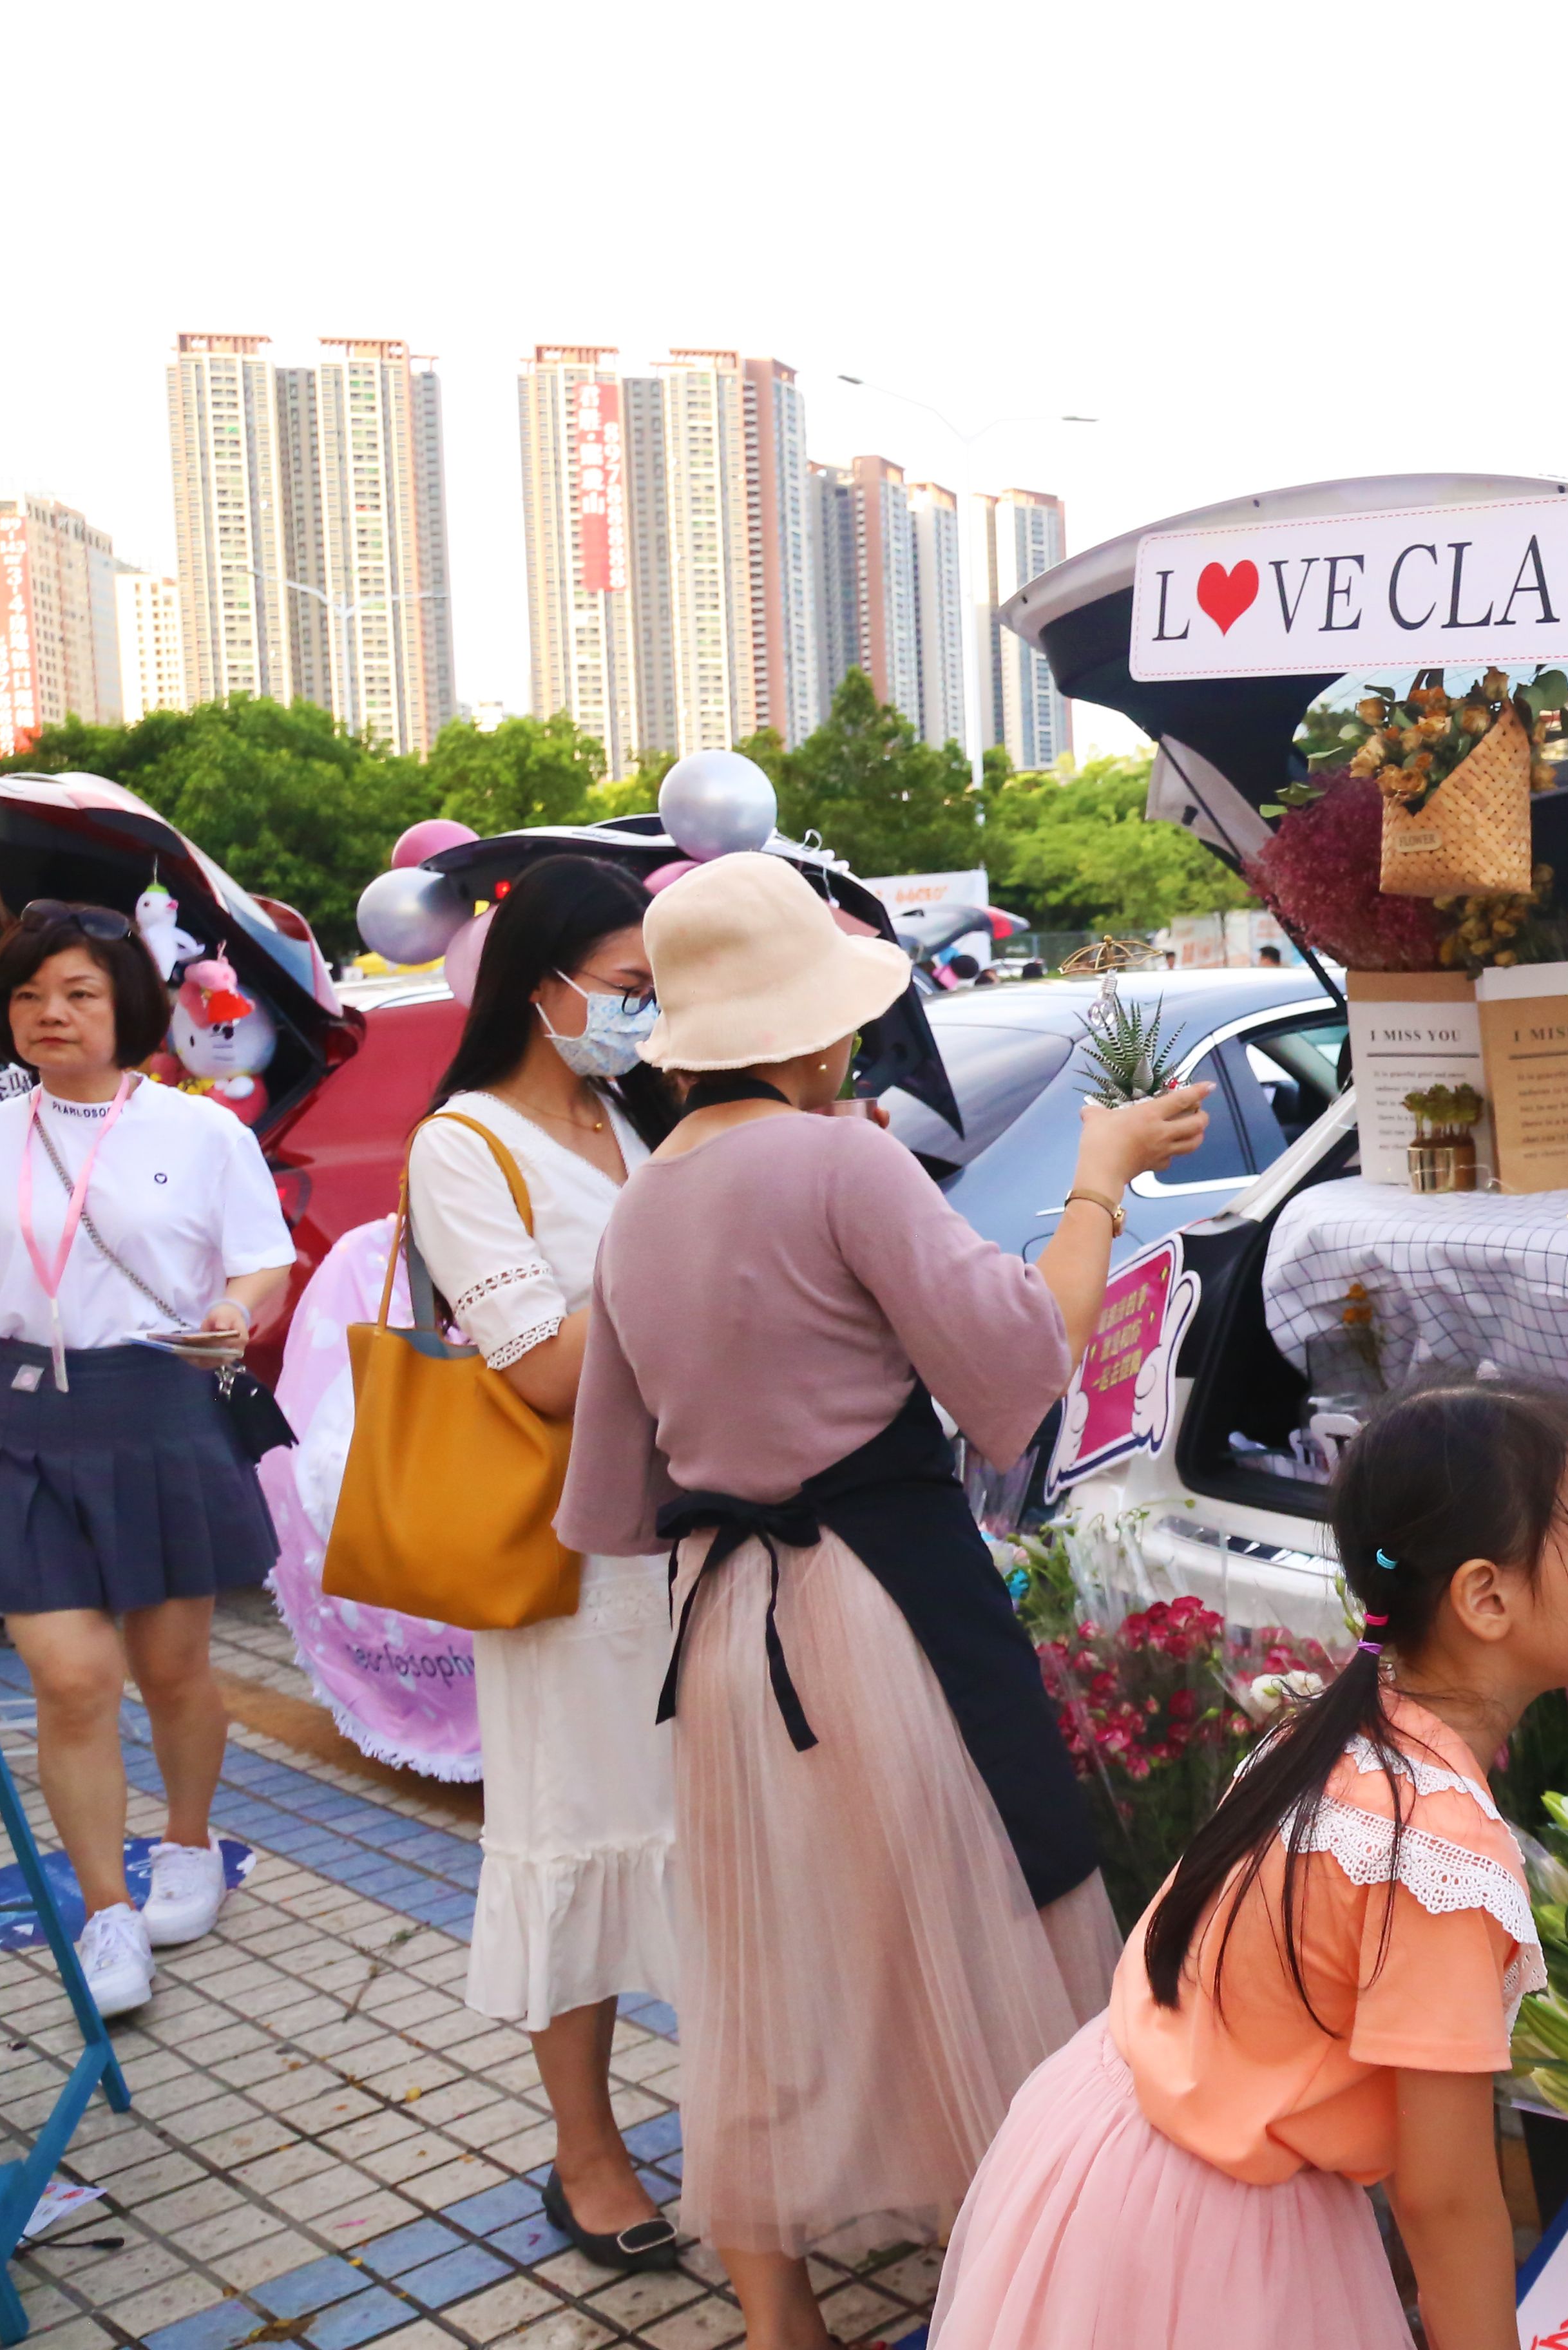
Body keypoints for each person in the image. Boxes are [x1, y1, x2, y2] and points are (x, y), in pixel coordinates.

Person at [553, 850, 1213, 2350]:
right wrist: (1099, 1178)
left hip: (724, 1631)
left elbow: (613, 1497)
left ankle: (779, 2319)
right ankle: (1036, 2279)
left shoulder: (641, 1203)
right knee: (986, 1935)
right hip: (876, 1615)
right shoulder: (841, 1160)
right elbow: (1018, 1364)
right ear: (804, 1030)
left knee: (769, 1969)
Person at [927, 1380, 1568, 2350]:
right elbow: (1447, 2200)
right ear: (1486, 1597)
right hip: (1209, 2232)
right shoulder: (1433, 1854)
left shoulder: (1325, 1733)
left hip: (1106, 2145)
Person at [399, 855, 684, 2268]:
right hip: (566, 1567)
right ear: (545, 983)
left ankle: (744, 2118)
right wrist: (692, 1260)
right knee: (575, 1839)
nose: (645, 1013)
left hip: (694, 1536)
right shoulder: (461, 1144)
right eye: (629, 987)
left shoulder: (642, 1112)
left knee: (699, 1839)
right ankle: (588, 2151)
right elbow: (543, 1366)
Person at [0, 900, 292, 2017]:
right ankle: (108, 1912)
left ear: (130, 1008)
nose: (48, 1013)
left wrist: (236, 1312)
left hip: (161, 1406)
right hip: (25, 1417)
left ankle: (189, 1843)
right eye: (26, 995)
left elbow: (262, 1261)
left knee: (173, 1665)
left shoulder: (201, 1131)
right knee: (69, 1679)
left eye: (77, 993)